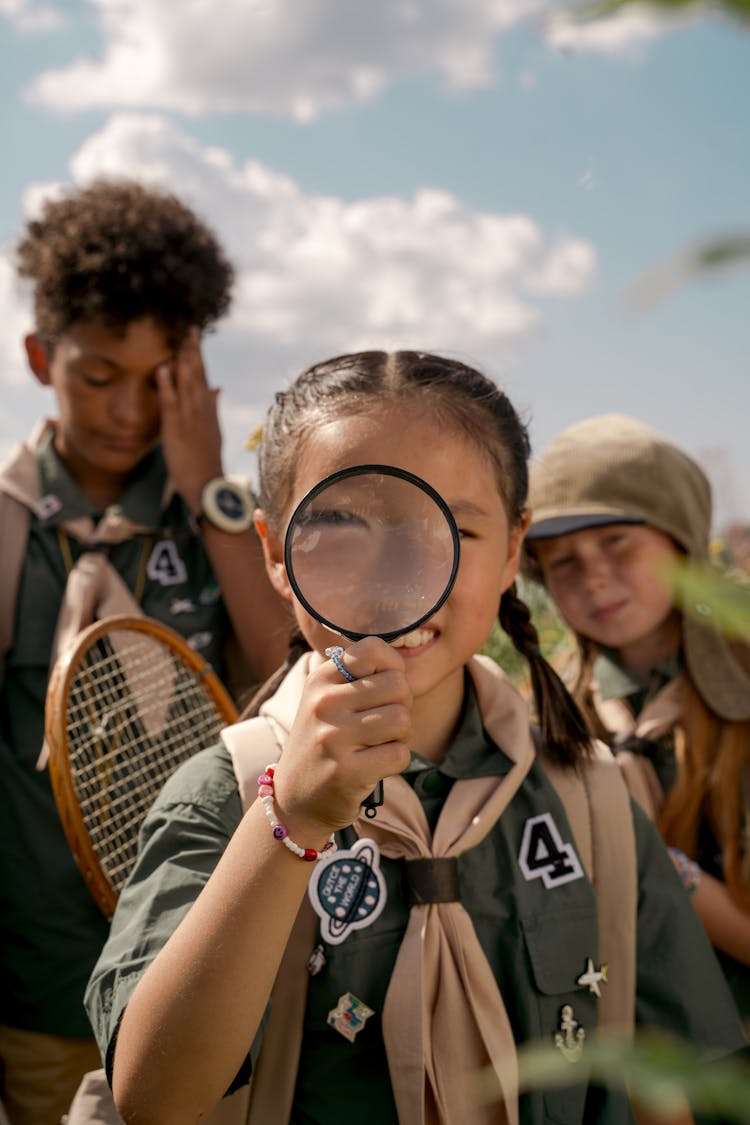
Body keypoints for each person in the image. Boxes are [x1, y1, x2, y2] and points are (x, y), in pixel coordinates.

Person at [85, 353, 746, 1125]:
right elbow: (156, 1099)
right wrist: (286, 828)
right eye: (341, 524)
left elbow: (669, 1088)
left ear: (510, 550)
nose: (401, 573)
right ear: (274, 551)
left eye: (457, 528)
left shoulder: (589, 798)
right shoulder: (225, 795)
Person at [0, 179, 290, 1125]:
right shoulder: (10, 526)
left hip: (205, 978)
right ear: (41, 357)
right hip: (41, 986)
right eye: (97, 376)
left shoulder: (217, 516)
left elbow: (283, 654)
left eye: (158, 377)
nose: (128, 410)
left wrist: (207, 484)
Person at [522, 413, 750, 1029]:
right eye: (561, 561)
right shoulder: (544, 714)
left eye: (617, 542)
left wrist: (648, 856)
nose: (593, 575)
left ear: (680, 540)